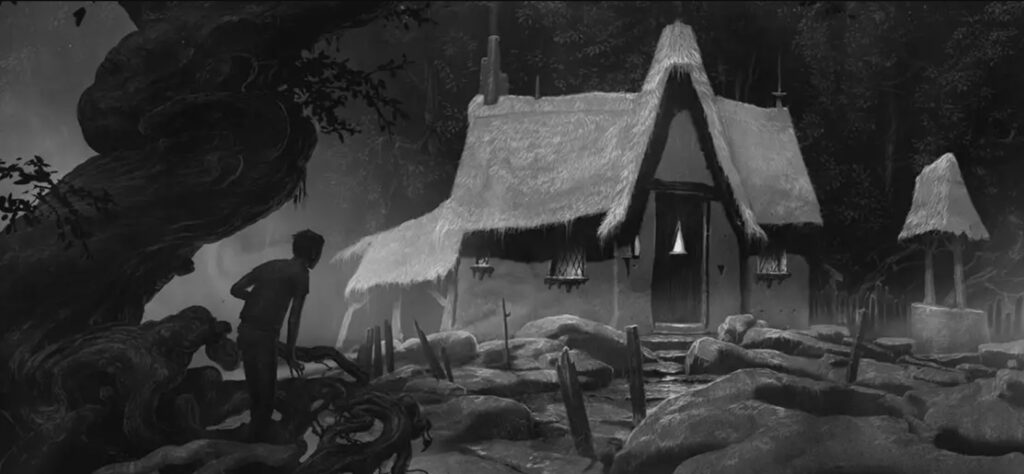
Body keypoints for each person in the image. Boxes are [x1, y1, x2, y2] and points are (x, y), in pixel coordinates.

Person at [230, 229, 324, 442]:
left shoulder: (271, 265)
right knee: (266, 397)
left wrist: (255, 300)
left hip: (245, 332)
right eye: (319, 253)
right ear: (313, 254)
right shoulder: (301, 274)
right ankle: (257, 447)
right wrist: (290, 354)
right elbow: (294, 318)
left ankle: (254, 440)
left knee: (256, 392)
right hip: (265, 337)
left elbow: (235, 289)